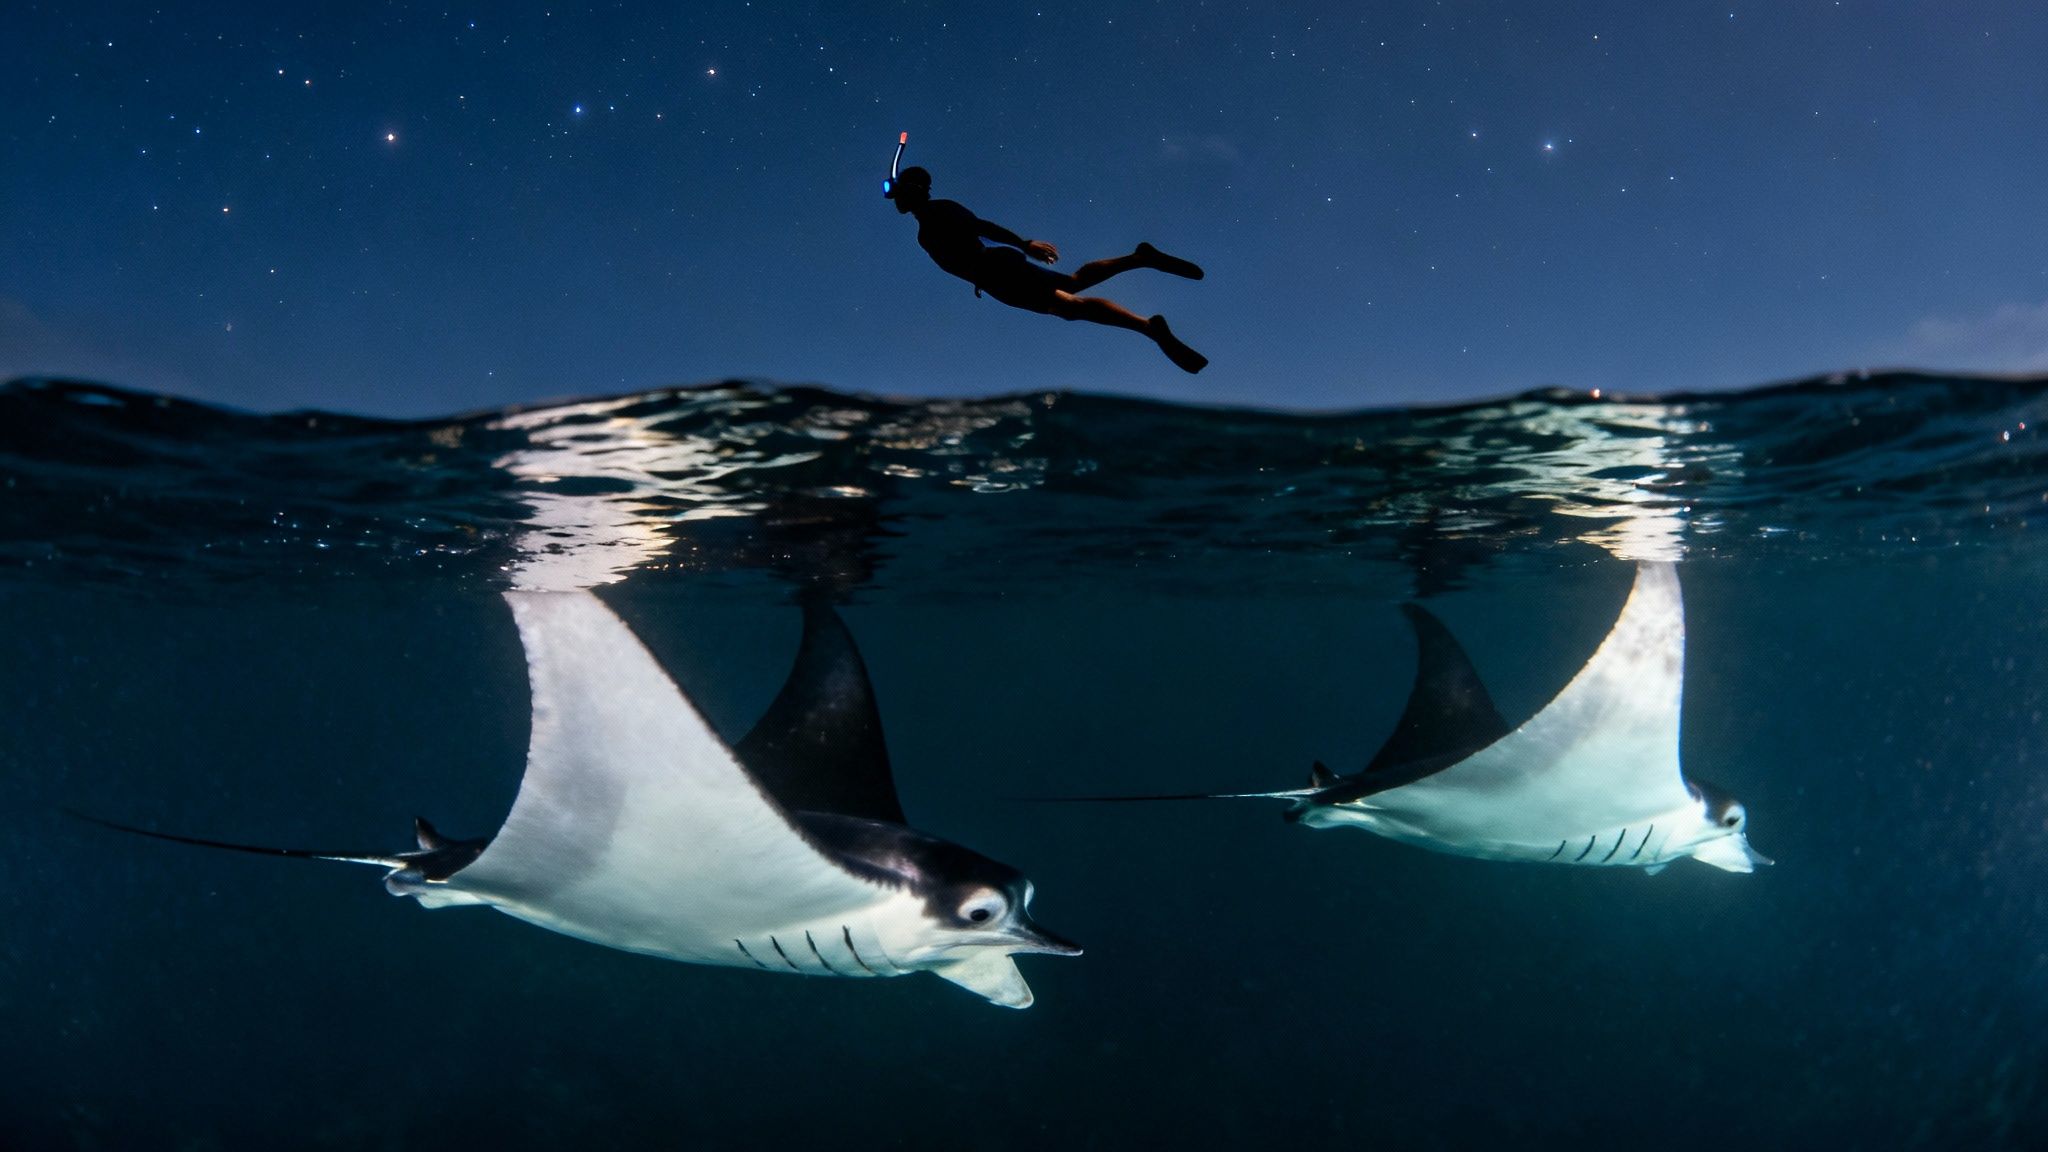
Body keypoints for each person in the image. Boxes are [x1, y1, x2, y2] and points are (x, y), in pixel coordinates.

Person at [887, 165, 1209, 373]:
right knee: (1071, 295)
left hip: (998, 270)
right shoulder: (923, 231)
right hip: (993, 279)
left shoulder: (939, 211)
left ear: (914, 190)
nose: (895, 198)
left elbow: (981, 226)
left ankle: (1146, 312)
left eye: (900, 191)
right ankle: (1142, 281)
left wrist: (1024, 244)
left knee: (1070, 298)